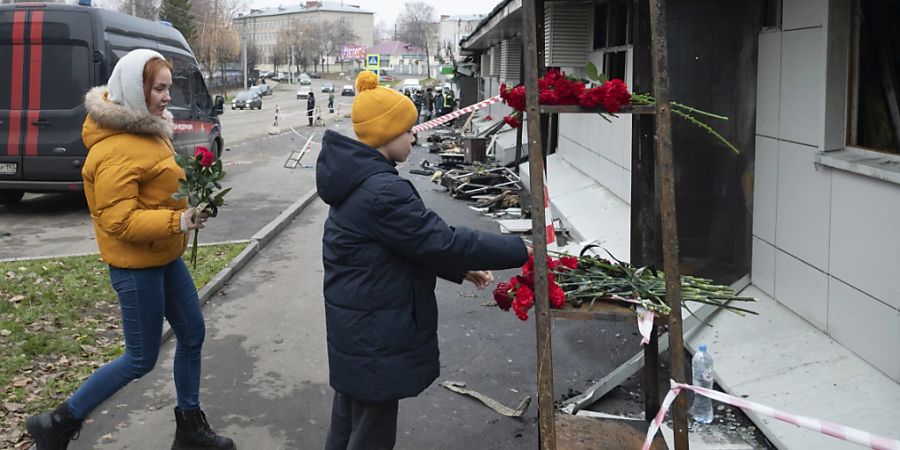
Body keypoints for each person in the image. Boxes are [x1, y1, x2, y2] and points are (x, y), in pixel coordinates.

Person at [24, 49, 235, 450]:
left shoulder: (150, 131)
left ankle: (189, 428)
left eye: (168, 88)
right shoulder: (114, 149)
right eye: (158, 88)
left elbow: (157, 191)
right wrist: (179, 220)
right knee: (140, 359)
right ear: (134, 91)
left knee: (192, 333)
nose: (166, 96)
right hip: (135, 267)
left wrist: (190, 205)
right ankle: (57, 423)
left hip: (165, 256)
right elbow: (117, 220)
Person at [316, 71, 529, 450]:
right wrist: (519, 249)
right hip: (374, 333)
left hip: (360, 328)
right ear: (386, 134)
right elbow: (441, 241)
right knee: (370, 436)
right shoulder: (383, 191)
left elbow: (402, 245)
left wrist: (458, 270)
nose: (415, 136)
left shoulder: (362, 182)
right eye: (408, 129)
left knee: (349, 424)